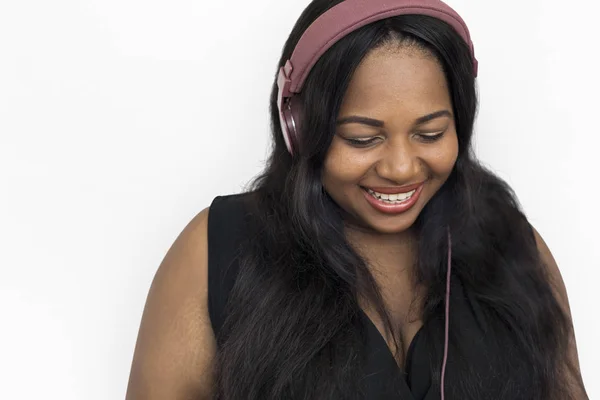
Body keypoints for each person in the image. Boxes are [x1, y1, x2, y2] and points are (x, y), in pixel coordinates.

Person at [125, 0, 588, 399]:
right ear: (299, 128)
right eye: (363, 138)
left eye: (431, 133)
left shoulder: (517, 249)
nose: (401, 167)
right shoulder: (217, 252)